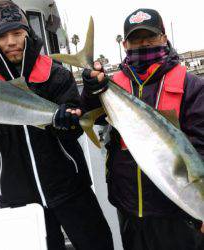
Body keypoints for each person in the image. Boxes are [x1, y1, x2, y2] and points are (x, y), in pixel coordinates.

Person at [0, 1, 114, 250]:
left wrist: (65, 123)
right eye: (3, 36)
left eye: (17, 33)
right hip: (20, 195)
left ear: (28, 33)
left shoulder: (56, 74)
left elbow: (73, 132)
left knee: (98, 244)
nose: (11, 42)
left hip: (69, 187)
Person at [81, 8, 204, 250]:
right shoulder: (111, 85)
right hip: (129, 208)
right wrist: (90, 90)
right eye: (136, 39)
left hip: (177, 214)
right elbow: (91, 115)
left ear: (164, 38)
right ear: (125, 43)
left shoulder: (192, 85)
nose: (144, 43)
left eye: (151, 37)